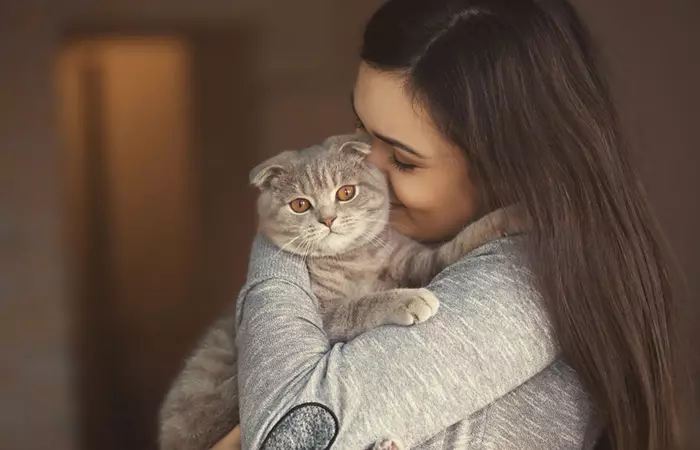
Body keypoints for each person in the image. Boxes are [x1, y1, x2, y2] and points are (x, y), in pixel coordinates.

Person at [211, 0, 691, 448]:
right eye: (360, 128)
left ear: (506, 166)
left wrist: (286, 224)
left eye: (401, 158)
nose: (364, 170)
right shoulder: (423, 247)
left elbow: (285, 435)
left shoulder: (522, 280)